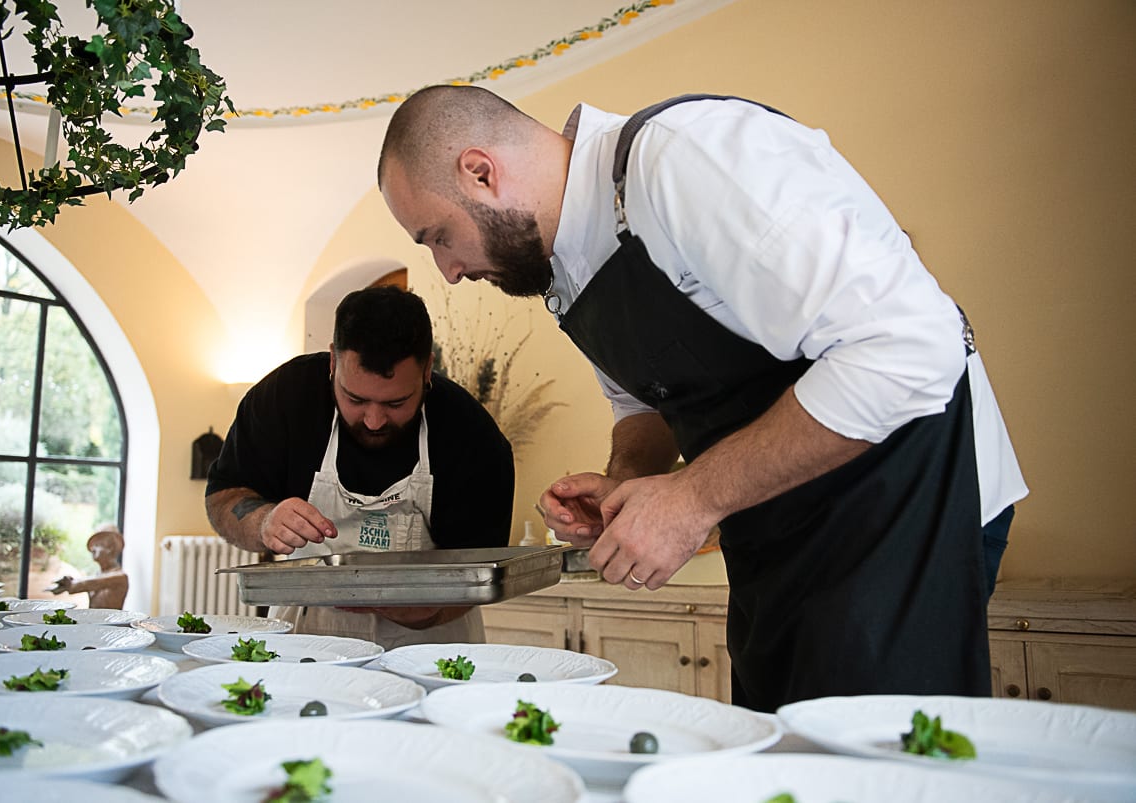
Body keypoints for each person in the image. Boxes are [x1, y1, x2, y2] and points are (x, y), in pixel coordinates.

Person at [377, 86, 1028, 711]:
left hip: (903, 512)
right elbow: (647, 403)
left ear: (480, 173)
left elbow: (907, 348)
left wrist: (692, 498)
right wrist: (628, 482)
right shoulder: (566, 269)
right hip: (776, 539)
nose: (448, 271)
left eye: (436, 235)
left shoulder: (685, 158)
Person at [205, 285, 515, 648]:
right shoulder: (284, 399)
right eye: (355, 398)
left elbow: (480, 574)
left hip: (430, 643)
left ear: (428, 368)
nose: (373, 420)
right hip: (306, 630)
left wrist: (422, 609)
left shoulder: (470, 434)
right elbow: (224, 497)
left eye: (397, 402)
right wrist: (264, 520)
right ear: (333, 360)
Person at [50, 527, 129, 609]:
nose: (92, 549)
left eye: (98, 545)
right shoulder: (99, 574)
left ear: (110, 548)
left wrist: (70, 584)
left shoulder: (120, 577)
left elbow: (93, 582)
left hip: (110, 621)